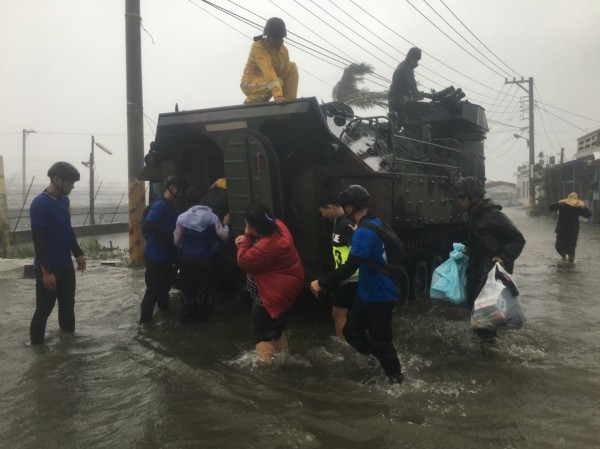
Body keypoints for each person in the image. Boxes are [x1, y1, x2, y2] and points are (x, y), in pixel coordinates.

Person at [310, 185, 403, 384]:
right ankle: (377, 361)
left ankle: (397, 382)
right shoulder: (375, 223)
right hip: (367, 293)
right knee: (352, 331)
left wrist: (322, 281)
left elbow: (351, 265)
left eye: (345, 206)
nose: (344, 210)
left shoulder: (363, 232)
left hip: (379, 294)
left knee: (382, 342)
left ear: (351, 207)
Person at [453, 177, 526, 339]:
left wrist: (504, 257)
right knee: (478, 313)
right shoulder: (473, 215)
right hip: (477, 270)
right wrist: (468, 249)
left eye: (462, 198)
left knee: (486, 315)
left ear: (475, 197)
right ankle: (484, 348)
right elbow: (483, 241)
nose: (459, 201)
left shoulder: (494, 216)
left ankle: (489, 353)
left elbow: (517, 239)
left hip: (490, 272)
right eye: (458, 198)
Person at [235, 203, 304, 364]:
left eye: (248, 224)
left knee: (264, 336)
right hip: (283, 292)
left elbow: (243, 261)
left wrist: (246, 237)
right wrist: (251, 238)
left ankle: (266, 378)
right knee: (277, 330)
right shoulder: (278, 227)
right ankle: (284, 360)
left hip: (269, 298)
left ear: (253, 227)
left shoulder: (267, 247)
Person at [29, 162, 86, 345]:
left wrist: (78, 253)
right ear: (56, 179)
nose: (73, 186)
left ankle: (67, 349)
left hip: (65, 266)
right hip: (49, 267)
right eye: (70, 182)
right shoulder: (39, 204)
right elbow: (39, 240)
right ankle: (38, 353)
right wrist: (46, 272)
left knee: (68, 306)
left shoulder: (64, 201)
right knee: (44, 310)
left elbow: (67, 229)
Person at [174, 191, 230, 323]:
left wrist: (187, 247)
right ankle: (202, 319)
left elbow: (177, 241)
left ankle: (187, 318)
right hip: (206, 260)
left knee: (188, 289)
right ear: (202, 200)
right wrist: (226, 224)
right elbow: (224, 236)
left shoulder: (182, 217)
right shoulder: (211, 216)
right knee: (205, 289)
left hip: (187, 259)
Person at [139, 175, 188, 323]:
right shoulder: (161, 205)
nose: (181, 194)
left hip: (164, 256)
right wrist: (167, 241)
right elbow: (148, 225)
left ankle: (165, 315)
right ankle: (144, 325)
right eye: (180, 191)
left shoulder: (167, 204)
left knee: (164, 288)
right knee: (153, 291)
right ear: (172, 187)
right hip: (156, 256)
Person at [316, 190, 357, 340]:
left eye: (323, 211)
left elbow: (357, 252)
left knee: (339, 313)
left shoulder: (345, 224)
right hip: (346, 276)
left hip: (349, 278)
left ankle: (344, 345)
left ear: (330, 207)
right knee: (342, 313)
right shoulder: (339, 222)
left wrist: (344, 274)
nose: (322, 215)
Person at [240, 17, 299, 104]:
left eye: (278, 37)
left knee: (292, 67)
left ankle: (289, 105)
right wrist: (278, 95)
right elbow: (268, 70)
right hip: (249, 83)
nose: (276, 40)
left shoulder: (284, 51)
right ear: (268, 36)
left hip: (271, 82)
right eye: (274, 37)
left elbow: (284, 73)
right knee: (277, 82)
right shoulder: (258, 46)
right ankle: (249, 104)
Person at [388, 47, 432, 127]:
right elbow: (411, 83)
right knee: (404, 119)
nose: (416, 62)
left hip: (397, 99)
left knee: (405, 120)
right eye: (416, 60)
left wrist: (417, 94)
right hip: (398, 100)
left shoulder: (404, 66)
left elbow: (410, 85)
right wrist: (417, 94)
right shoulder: (406, 68)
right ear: (412, 58)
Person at [548, 192, 591, 263]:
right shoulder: (563, 205)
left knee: (571, 249)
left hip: (573, 231)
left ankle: (570, 265)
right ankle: (564, 258)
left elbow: (588, 215)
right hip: (561, 229)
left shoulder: (578, 207)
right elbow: (550, 208)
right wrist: (558, 204)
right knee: (558, 247)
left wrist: (584, 208)